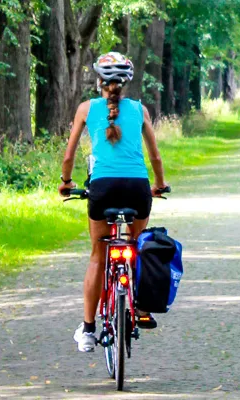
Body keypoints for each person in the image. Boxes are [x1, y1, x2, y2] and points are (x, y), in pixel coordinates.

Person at [58, 52, 168, 353]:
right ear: (126, 82)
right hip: (137, 188)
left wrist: (67, 183)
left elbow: (68, 157)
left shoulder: (85, 108)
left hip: (102, 188)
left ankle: (89, 330)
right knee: (137, 245)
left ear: (99, 81)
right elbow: (155, 156)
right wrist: (158, 185)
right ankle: (141, 307)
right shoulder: (139, 110)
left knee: (98, 255)